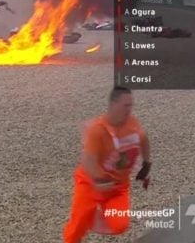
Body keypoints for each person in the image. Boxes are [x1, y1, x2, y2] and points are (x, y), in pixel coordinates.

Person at [63, 86, 151, 243]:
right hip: (90, 183)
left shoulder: (132, 123)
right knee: (76, 227)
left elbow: (143, 139)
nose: (129, 110)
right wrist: (98, 180)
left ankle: (90, 217)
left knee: (120, 225)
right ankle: (82, 220)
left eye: (131, 105)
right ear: (113, 104)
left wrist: (146, 163)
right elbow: (87, 160)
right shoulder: (98, 130)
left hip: (118, 187)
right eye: (126, 106)